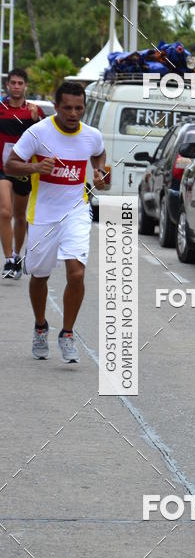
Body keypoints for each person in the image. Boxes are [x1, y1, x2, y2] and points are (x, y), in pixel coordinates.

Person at [4, 81, 107, 362]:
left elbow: (98, 152)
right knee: (40, 275)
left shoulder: (92, 135)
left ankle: (68, 332)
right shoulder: (38, 132)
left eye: (79, 108)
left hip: (76, 211)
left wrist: (98, 171)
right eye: (67, 108)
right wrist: (36, 166)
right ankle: (40, 326)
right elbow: (10, 164)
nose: (73, 113)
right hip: (43, 215)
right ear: (56, 105)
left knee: (76, 274)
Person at [0, 68, 44, 279]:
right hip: (3, 168)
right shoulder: (0, 107)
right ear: (7, 85)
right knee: (5, 212)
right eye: (13, 83)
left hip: (24, 169)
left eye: (20, 83)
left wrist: (35, 120)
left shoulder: (33, 111)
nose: (16, 86)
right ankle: (8, 260)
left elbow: (43, 140)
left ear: (26, 86)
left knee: (19, 216)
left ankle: (17, 255)